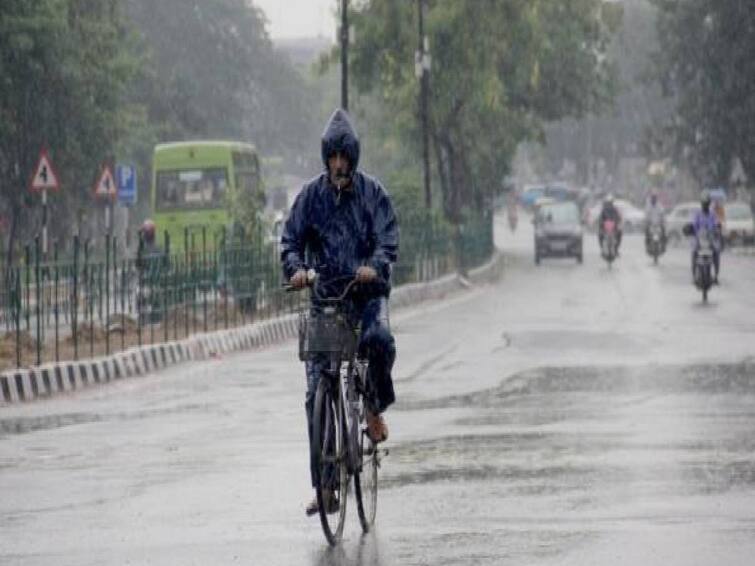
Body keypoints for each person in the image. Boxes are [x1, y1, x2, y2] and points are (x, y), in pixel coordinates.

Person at [280, 109, 399, 517]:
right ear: (325, 158)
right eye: (332, 158)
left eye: (344, 158)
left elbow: (388, 240)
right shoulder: (311, 198)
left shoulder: (373, 194)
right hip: (326, 301)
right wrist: (296, 270)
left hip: (365, 298)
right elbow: (290, 240)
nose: (338, 165)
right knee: (317, 392)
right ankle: (325, 486)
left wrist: (376, 265)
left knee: (379, 341)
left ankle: (373, 407)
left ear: (353, 158)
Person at [691, 191, 721, 284]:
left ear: (709, 204)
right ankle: (694, 276)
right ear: (701, 204)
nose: (705, 205)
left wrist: (717, 227)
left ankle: (716, 275)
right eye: (704, 203)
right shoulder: (697, 214)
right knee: (694, 252)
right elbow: (694, 225)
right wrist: (691, 229)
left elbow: (716, 223)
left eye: (707, 203)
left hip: (710, 240)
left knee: (716, 252)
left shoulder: (712, 214)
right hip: (699, 240)